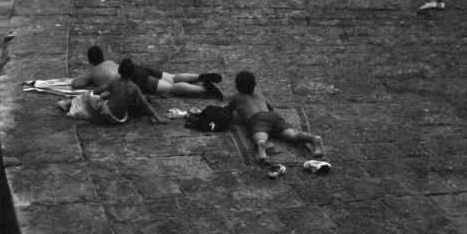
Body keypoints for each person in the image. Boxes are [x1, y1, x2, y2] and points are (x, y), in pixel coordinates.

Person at [226, 70, 325, 164]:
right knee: (293, 136)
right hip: (274, 117)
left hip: (258, 119)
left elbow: (228, 110)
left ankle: (261, 144)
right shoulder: (259, 93)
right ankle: (314, 138)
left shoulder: (237, 97)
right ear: (254, 85)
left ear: (237, 86)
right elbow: (270, 107)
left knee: (260, 135)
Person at [71, 45, 225, 100]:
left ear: (90, 60)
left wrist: (89, 75)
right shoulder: (110, 62)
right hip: (140, 69)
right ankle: (199, 76)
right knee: (172, 77)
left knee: (170, 89)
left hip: (136, 77)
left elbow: (75, 84)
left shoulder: (92, 70)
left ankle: (204, 89)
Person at [59, 58, 166, 125]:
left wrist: (96, 96)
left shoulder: (114, 82)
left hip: (104, 114)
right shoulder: (134, 88)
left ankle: (70, 103)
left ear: (119, 71)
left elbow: (96, 91)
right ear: (133, 74)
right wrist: (158, 118)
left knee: (89, 96)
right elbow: (146, 104)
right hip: (117, 119)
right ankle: (70, 104)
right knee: (138, 101)